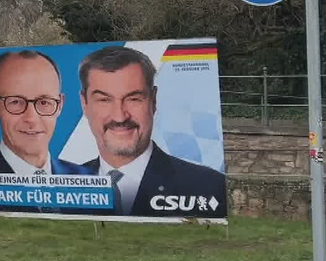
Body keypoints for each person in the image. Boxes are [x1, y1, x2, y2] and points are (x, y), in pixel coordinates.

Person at [77, 46, 228, 217]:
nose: (119, 117)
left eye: (133, 99)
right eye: (104, 100)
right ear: (84, 103)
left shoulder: (208, 185)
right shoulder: (63, 184)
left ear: (154, 100)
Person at [0, 49, 92, 212]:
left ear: (60, 105)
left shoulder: (89, 181)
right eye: (15, 102)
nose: (31, 118)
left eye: (44, 102)